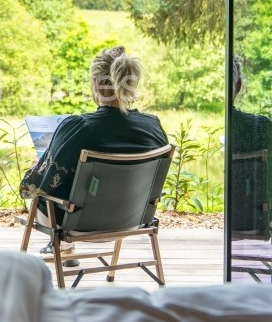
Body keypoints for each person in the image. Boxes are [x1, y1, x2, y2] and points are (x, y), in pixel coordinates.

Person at [20, 46, 168, 262]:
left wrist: (36, 169)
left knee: (43, 187)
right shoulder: (153, 126)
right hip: (132, 220)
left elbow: (33, 188)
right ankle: (65, 251)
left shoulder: (79, 127)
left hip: (78, 225)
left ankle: (61, 247)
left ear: (97, 85)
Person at [230, 56, 272, 237]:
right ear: (238, 85)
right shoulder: (261, 127)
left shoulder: (211, 130)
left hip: (217, 230)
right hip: (257, 220)